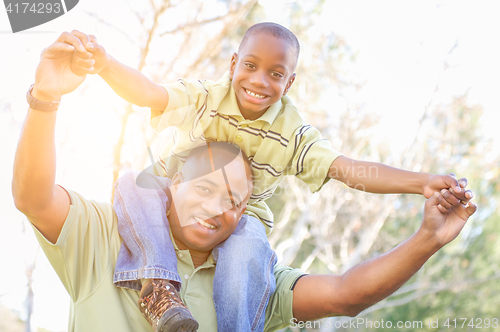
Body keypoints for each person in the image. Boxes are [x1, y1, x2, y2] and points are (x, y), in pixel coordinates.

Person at [12, 32, 477, 332]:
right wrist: (83, 77)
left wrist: (422, 200)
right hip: (152, 195)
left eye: (276, 74)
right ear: (233, 63)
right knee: (134, 182)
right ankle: (157, 285)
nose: (217, 207)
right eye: (205, 189)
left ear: (289, 83)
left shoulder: (250, 267)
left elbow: (347, 181)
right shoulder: (105, 238)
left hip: (249, 234)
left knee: (247, 247)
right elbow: (149, 94)